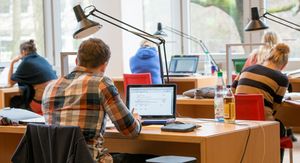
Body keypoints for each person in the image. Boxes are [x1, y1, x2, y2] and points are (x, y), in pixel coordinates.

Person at [42, 38, 142, 163]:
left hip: (55, 159)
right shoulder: (101, 83)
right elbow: (130, 130)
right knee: (142, 157)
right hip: (88, 159)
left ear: (77, 60)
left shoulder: (50, 87)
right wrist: (136, 118)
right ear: (104, 66)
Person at [232, 43, 290, 162]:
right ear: (284, 65)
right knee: (281, 128)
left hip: (237, 122)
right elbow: (274, 107)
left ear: (267, 57)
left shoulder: (246, 69)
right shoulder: (282, 79)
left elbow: (232, 92)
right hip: (262, 124)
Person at [8, 39, 57, 114]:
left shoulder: (26, 62)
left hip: (40, 104)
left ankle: (22, 124)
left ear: (23, 52)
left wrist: (12, 62)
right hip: (54, 102)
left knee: (14, 101)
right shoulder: (43, 60)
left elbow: (10, 83)